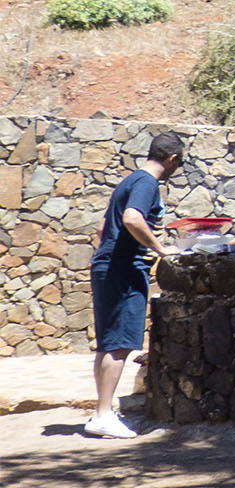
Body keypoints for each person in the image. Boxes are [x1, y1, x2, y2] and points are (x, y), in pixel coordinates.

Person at [87, 131, 185, 438]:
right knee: (121, 342)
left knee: (108, 342)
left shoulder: (129, 180)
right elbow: (131, 219)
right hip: (125, 269)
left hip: (107, 265)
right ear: (173, 159)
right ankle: (104, 415)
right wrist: (159, 248)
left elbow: (105, 226)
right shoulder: (147, 183)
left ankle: (101, 412)